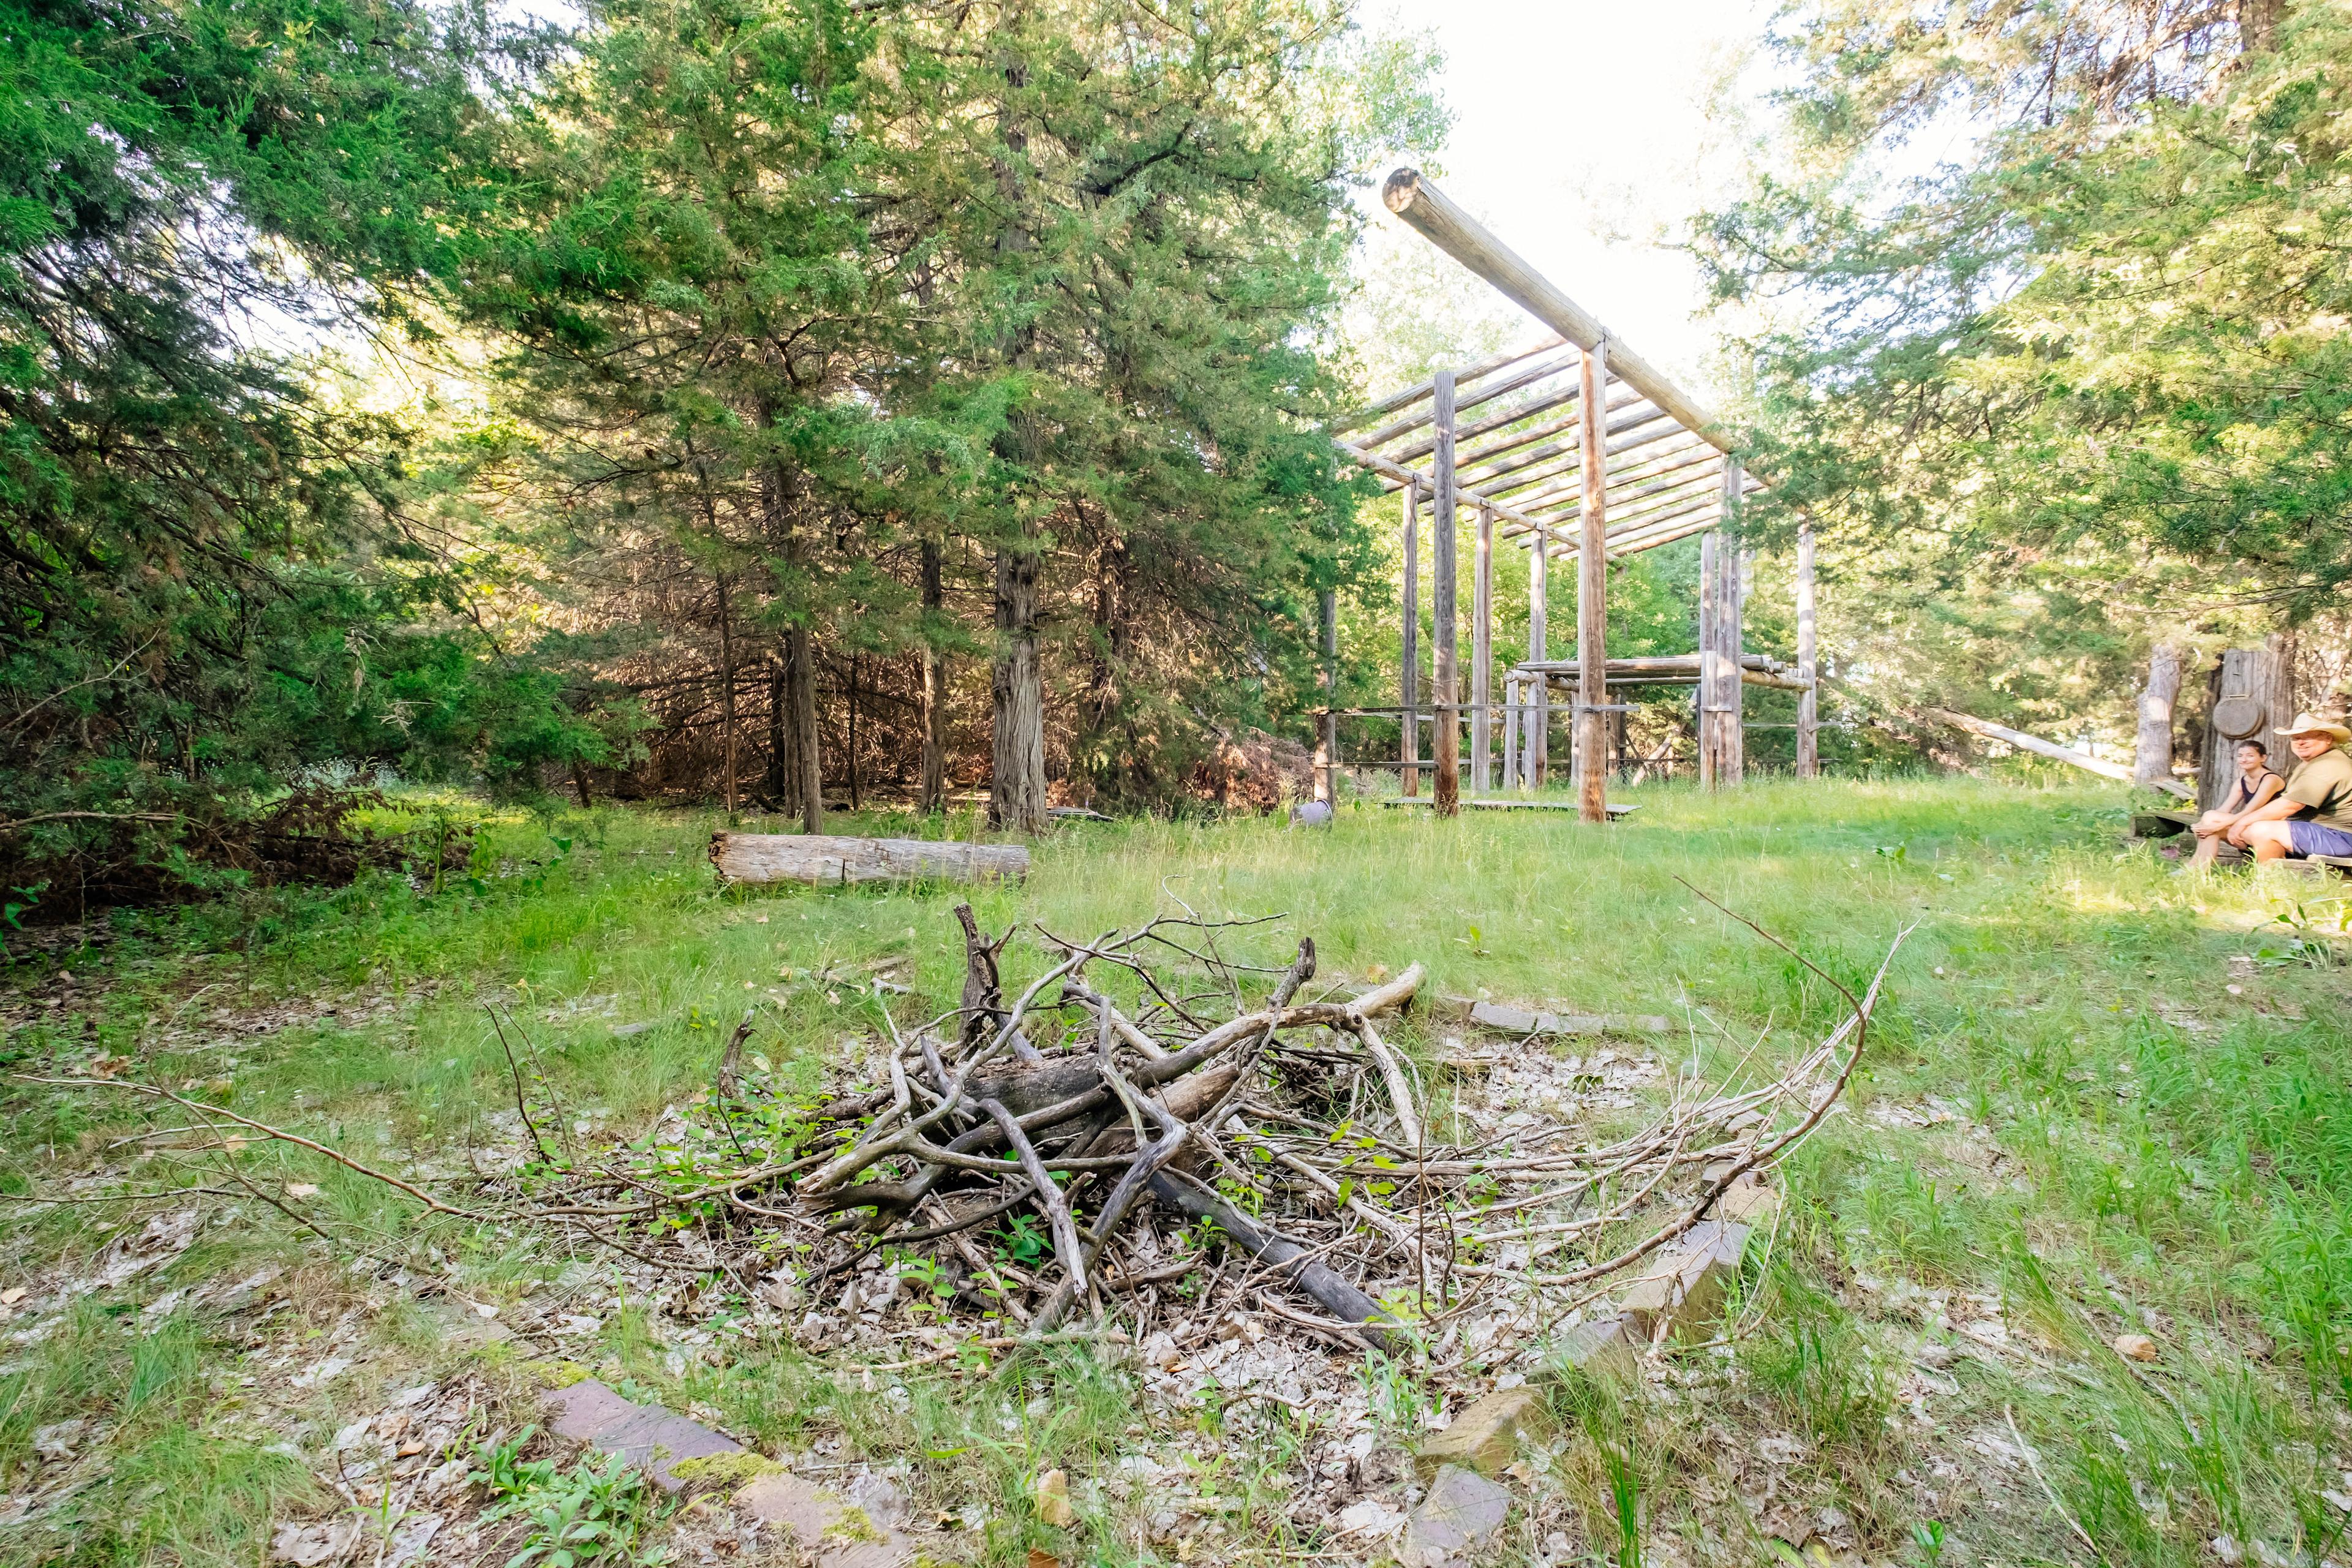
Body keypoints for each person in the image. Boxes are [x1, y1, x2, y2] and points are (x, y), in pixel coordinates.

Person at [2226, 714, 2352, 862]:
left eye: (2308, 737)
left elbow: (2290, 805)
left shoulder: (2330, 763)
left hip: (2341, 836)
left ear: (2327, 739)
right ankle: (2268, 877)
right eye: (2296, 738)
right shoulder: (2311, 763)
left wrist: (2242, 822)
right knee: (2233, 826)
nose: (2301, 743)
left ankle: (2270, 879)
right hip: (2321, 830)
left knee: (2260, 830)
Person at [2187, 739, 2285, 869]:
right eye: (2240, 756)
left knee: (2211, 821)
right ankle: (2196, 870)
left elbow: (2249, 811)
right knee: (2210, 819)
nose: (2244, 760)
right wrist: (2202, 826)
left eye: (2250, 756)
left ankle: (2192, 869)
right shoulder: (2242, 782)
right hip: (2248, 827)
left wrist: (2215, 826)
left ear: (2263, 758)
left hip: (2267, 830)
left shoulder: (2271, 780)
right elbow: (2223, 811)